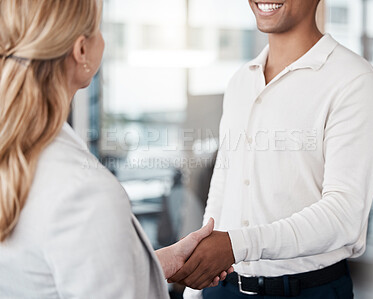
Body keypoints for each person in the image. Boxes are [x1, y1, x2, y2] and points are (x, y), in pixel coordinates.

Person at [0, 1, 231, 298]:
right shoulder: (84, 192)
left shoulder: (22, 156)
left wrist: (159, 261)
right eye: (99, 29)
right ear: (81, 51)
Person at [173, 0, 373, 298]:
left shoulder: (356, 82)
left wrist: (237, 244)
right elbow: (225, 182)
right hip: (223, 287)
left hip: (307, 290)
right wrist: (194, 290)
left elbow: (344, 215)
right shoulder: (242, 80)